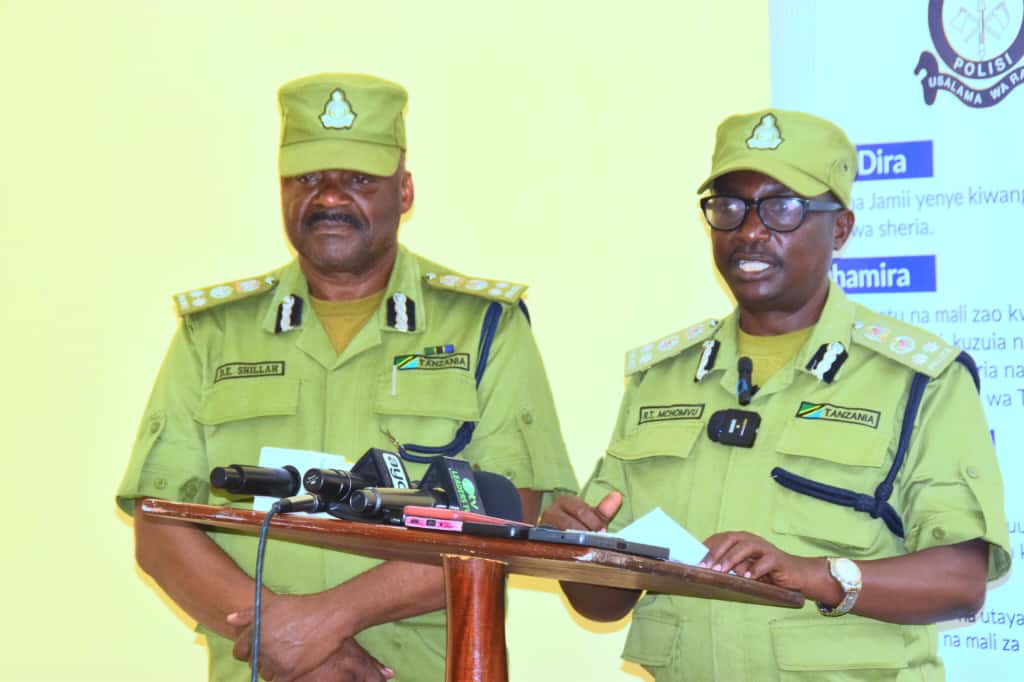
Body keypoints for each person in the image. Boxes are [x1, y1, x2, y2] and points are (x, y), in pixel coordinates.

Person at [116, 73, 578, 682]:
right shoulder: (214, 334)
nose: (329, 198)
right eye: (307, 178)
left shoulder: (484, 328)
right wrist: (287, 641)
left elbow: (508, 516)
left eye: (359, 180)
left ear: (404, 191)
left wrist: (323, 623)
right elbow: (160, 524)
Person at [540, 109, 1010, 680]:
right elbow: (603, 604)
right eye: (729, 207)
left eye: (782, 207)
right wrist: (575, 549)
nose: (750, 231)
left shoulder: (920, 379)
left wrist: (816, 575)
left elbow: (961, 582)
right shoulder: (660, 379)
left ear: (840, 229)